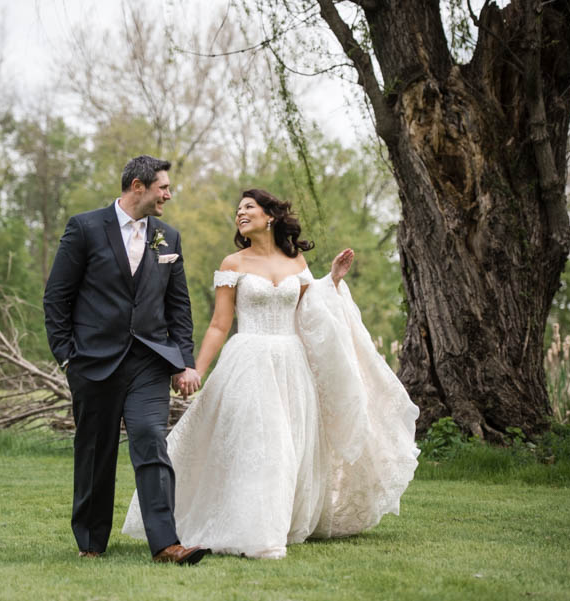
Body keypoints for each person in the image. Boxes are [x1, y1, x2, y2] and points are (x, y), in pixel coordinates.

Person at [122, 189, 420, 558]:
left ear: (270, 216)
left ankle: (277, 522)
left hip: (291, 365)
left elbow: (313, 313)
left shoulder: (297, 264)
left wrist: (333, 281)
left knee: (288, 444)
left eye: (249, 208)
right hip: (248, 361)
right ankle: (258, 535)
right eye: (238, 210)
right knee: (262, 444)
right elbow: (219, 324)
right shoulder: (232, 264)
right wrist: (194, 368)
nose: (240, 214)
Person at [43, 155, 207, 565]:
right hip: (93, 362)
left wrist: (184, 361)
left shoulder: (168, 237)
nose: (168, 194)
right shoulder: (84, 228)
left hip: (149, 361)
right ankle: (91, 542)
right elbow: (56, 297)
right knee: (95, 450)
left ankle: (166, 544)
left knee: (152, 438)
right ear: (138, 186)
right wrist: (66, 356)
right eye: (162, 187)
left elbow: (179, 308)